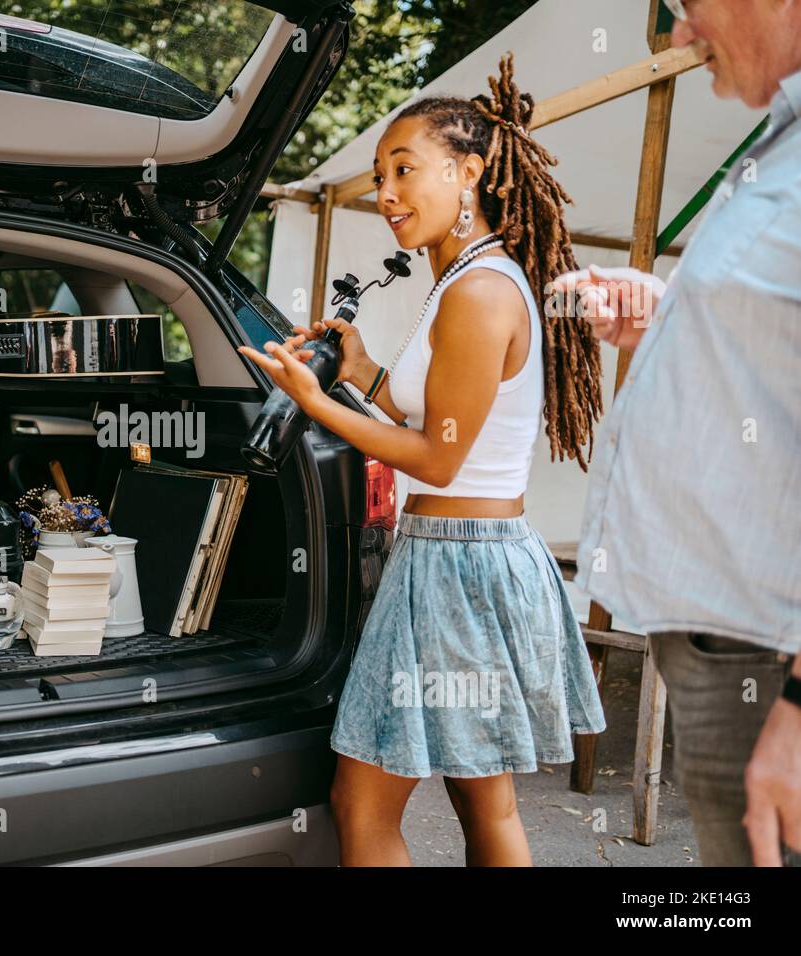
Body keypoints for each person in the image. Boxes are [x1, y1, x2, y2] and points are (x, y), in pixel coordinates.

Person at [240, 55, 606, 867]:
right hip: (463, 562)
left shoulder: (479, 293)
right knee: (485, 803)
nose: (387, 194)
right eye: (379, 175)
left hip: (460, 573)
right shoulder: (467, 282)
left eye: (405, 170)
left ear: (469, 170)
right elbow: (433, 419)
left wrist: (317, 401)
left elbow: (437, 461)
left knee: (363, 806)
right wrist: (363, 368)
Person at [551, 0, 801, 867]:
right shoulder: (781, 142)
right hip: (727, 650)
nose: (680, 35)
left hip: (774, 663)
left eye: (690, 6)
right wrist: (674, 320)